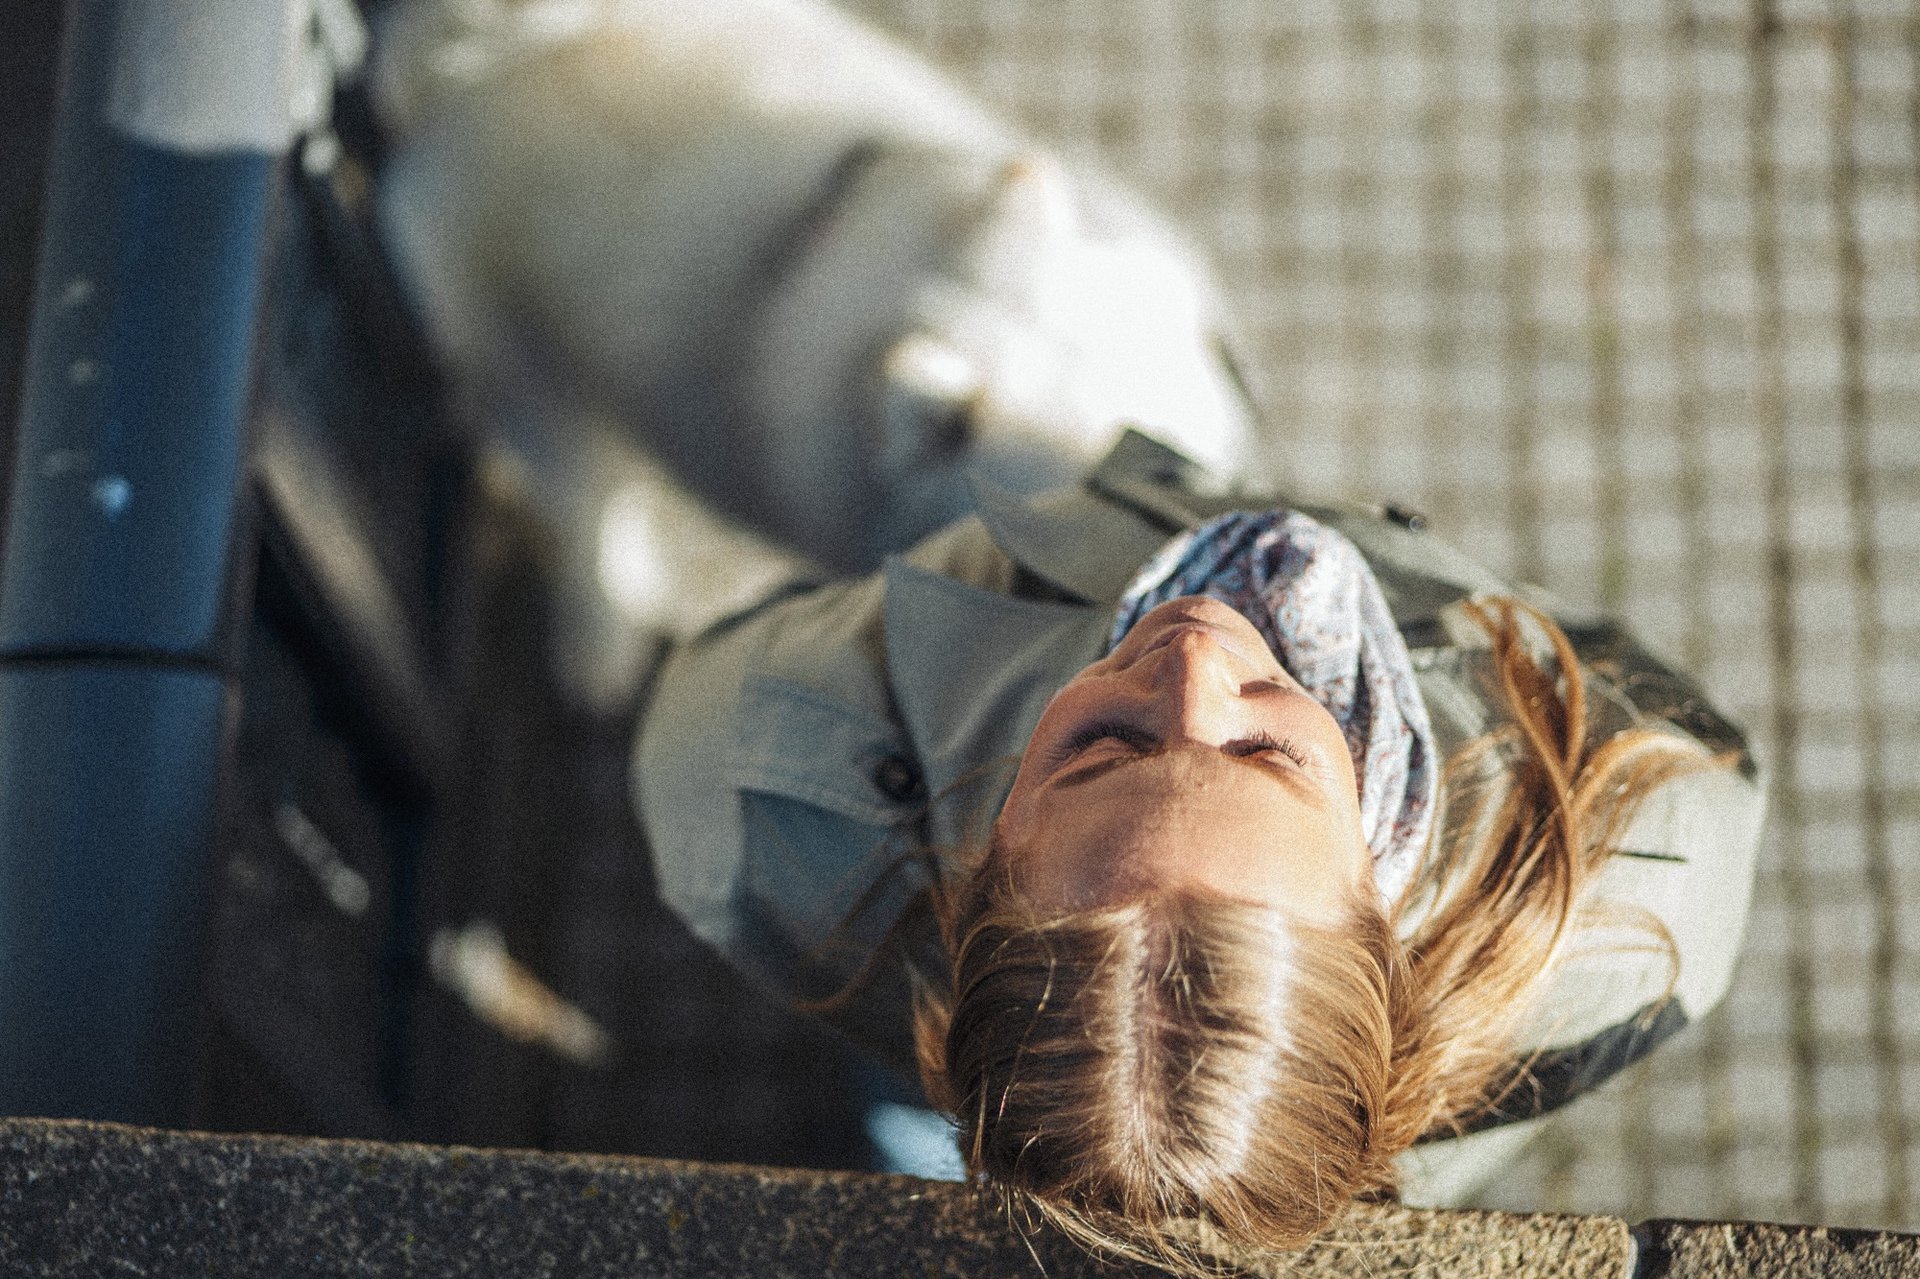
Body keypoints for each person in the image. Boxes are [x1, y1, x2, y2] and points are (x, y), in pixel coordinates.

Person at [633, 429, 1765, 1270]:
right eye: (1269, 754)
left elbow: (710, 683)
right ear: (1379, 909)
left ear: (989, 866)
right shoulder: (1650, 862)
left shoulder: (747, 793)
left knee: (919, 1123)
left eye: (1100, 750)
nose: (1194, 656)